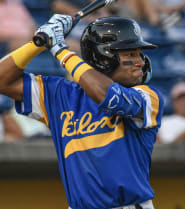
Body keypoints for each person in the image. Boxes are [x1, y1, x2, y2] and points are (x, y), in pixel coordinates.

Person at [0, 14, 164, 209]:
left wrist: (60, 50)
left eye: (139, 54)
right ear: (104, 59)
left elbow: (105, 95)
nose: (140, 62)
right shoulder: (61, 94)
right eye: (130, 54)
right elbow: (3, 80)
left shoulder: (148, 96)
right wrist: (39, 42)